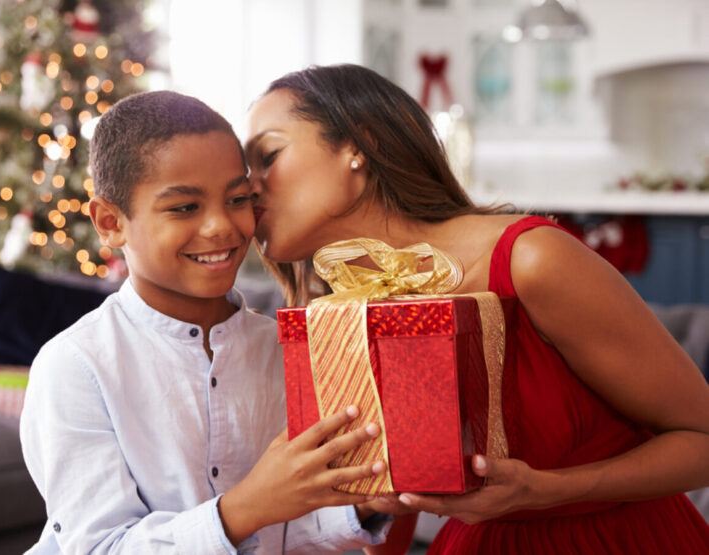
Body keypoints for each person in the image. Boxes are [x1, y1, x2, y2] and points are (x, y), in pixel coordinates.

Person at [244, 64, 709, 553]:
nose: (249, 187)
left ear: (361, 146)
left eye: (268, 156)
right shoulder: (343, 313)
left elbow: (701, 439)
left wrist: (545, 492)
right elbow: (398, 509)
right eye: (244, 173)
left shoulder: (533, 260)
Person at [19, 90, 395, 554]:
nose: (222, 226)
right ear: (110, 221)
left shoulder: (286, 347)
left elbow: (281, 533)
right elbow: (101, 547)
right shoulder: (75, 364)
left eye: (238, 198)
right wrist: (248, 507)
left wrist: (361, 506)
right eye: (184, 207)